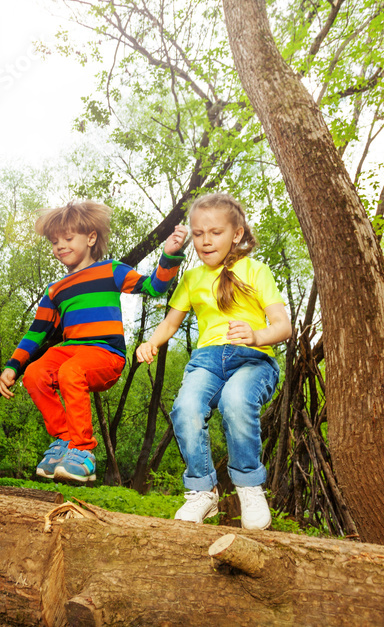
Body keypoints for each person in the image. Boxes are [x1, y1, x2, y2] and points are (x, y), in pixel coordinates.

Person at [0, 200, 187, 483]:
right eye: (54, 241)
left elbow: (154, 287)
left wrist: (169, 256)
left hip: (105, 354)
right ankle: (64, 439)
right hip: (71, 351)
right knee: (36, 373)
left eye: (68, 238)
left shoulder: (112, 270)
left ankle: (83, 450)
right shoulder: (55, 290)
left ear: (90, 238)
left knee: (70, 371)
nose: (60, 245)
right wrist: (13, 366)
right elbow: (36, 332)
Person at [136, 192, 290, 529]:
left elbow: (283, 326)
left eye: (215, 232)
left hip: (253, 360)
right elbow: (170, 323)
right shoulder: (191, 279)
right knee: (186, 408)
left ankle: (249, 486)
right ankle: (202, 492)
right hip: (206, 362)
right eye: (198, 233)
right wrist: (152, 343)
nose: (205, 241)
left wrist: (256, 335)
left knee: (236, 401)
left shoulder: (255, 270)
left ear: (236, 234)